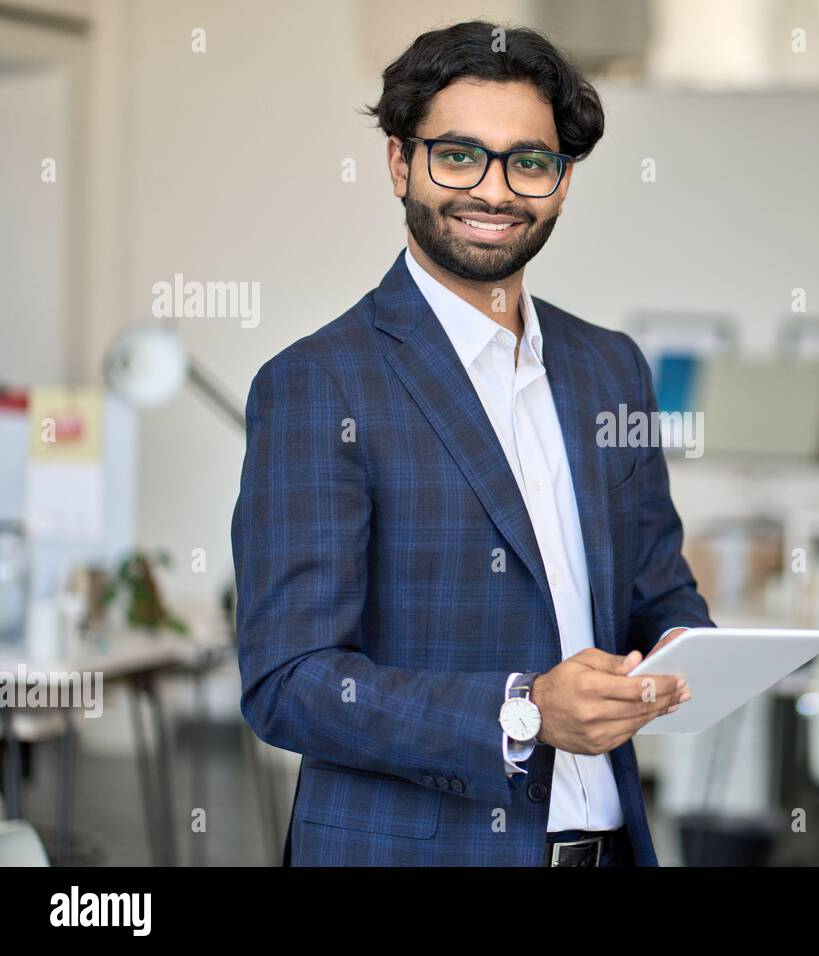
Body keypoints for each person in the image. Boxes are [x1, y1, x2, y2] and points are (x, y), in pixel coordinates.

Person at [232, 20, 712, 867]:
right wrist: (522, 711)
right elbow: (288, 683)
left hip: (605, 847)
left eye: (528, 162)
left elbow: (659, 593)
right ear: (398, 163)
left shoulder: (612, 369)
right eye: (458, 155)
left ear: (561, 183)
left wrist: (691, 655)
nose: (494, 190)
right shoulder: (319, 383)